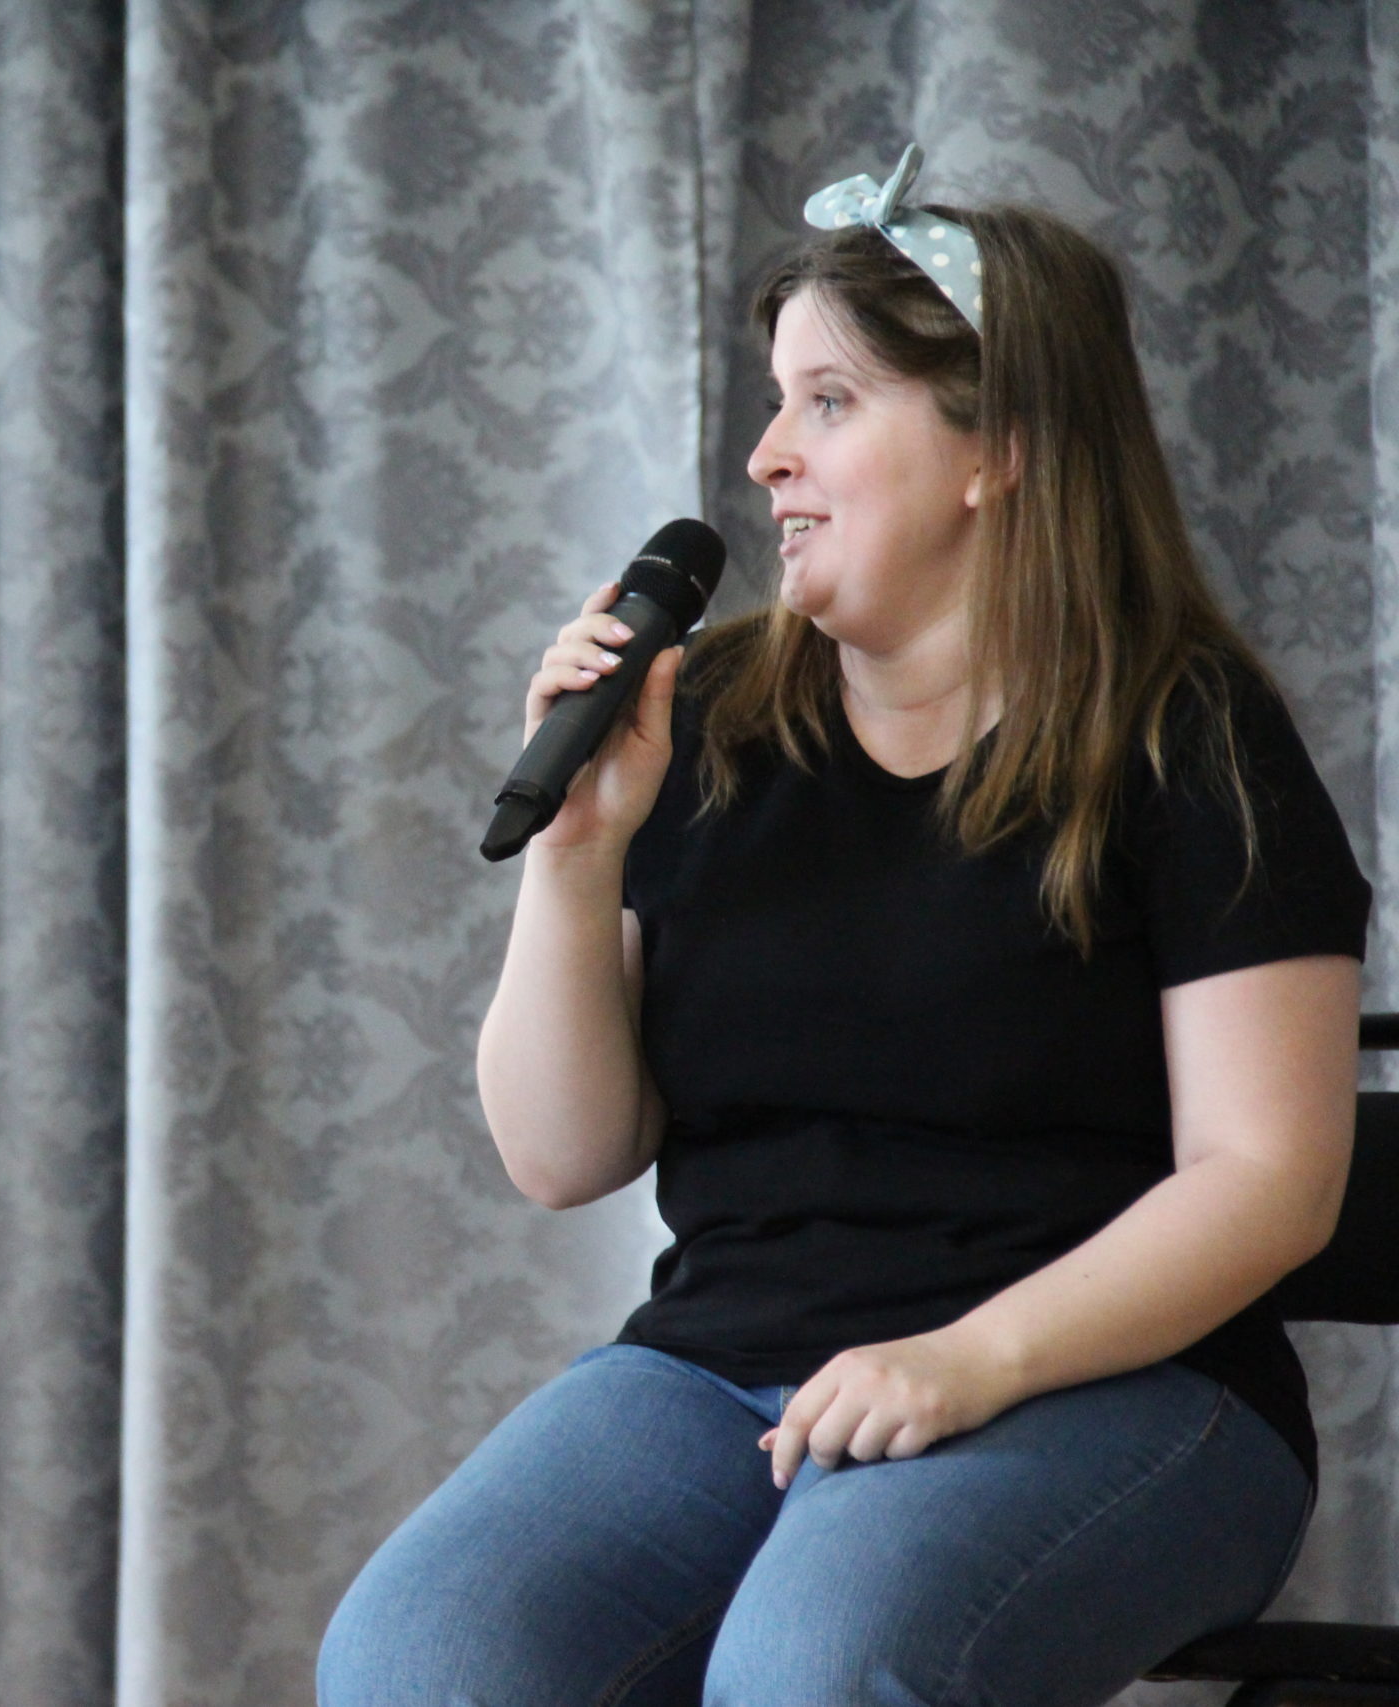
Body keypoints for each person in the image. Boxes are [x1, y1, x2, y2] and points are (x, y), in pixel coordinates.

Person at [318, 147, 1370, 1704]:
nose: (765, 460)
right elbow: (561, 1155)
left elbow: (1269, 1182)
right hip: (723, 1372)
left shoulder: (1187, 737)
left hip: (1115, 1380)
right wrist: (578, 859)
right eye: (775, 403)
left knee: (819, 1670)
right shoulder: (709, 718)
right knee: (419, 1658)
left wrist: (967, 1360)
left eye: (827, 402)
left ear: (998, 448)